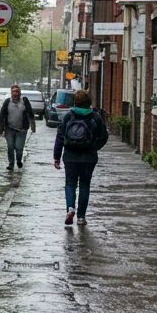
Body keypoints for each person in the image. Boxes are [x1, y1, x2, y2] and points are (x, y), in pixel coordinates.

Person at [53, 89, 109, 227]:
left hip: (70, 156)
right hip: (88, 157)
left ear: (75, 102)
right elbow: (104, 136)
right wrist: (94, 147)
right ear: (89, 102)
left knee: (70, 184)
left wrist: (57, 156)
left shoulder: (68, 116)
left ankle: (70, 208)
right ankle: (81, 217)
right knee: (84, 185)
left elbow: (60, 136)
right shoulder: (95, 117)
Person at [0, 84, 36, 171]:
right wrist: (1, 129)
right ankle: (11, 163)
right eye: (13, 91)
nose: (15, 93)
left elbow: (30, 113)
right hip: (9, 128)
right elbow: (2, 116)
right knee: (10, 146)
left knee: (19, 147)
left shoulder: (24, 101)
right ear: (11, 93)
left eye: (17, 91)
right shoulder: (7, 102)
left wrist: (32, 125)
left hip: (22, 129)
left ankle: (18, 160)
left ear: (20, 92)